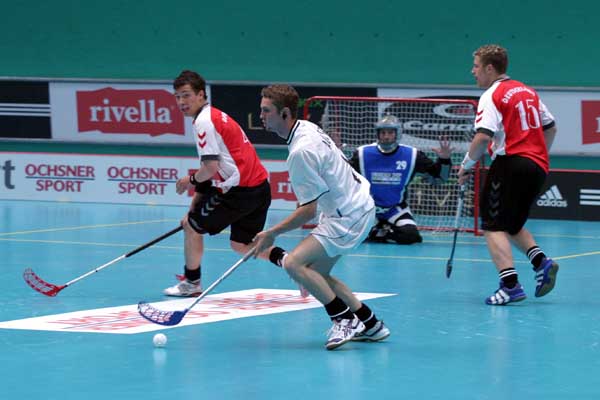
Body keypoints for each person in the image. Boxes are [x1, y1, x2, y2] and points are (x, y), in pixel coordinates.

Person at [253, 84, 390, 350]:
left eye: (266, 111)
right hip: (358, 205)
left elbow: (308, 211)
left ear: (284, 113)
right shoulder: (306, 127)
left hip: (347, 215)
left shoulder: (300, 152)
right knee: (315, 273)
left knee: (294, 264)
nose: (261, 116)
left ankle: (343, 320)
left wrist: (271, 233)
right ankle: (371, 324)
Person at [164, 70, 288, 297]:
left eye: (186, 95)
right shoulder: (215, 115)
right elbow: (212, 169)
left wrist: (188, 181)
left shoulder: (203, 122)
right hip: (260, 187)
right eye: (177, 97)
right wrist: (194, 206)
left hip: (241, 191)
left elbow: (209, 168)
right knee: (241, 244)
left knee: (191, 226)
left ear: (201, 95)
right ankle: (292, 262)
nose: (181, 102)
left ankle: (191, 283)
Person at [457, 45, 559, 305]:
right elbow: (551, 127)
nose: (473, 71)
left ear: (490, 68)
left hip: (511, 163)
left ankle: (510, 285)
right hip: (537, 166)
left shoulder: (492, 94)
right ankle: (541, 262)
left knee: (492, 225)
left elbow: (483, 138)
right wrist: (536, 155)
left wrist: (466, 165)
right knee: (511, 224)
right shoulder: (527, 91)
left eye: (476, 66)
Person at [349, 115, 453, 244]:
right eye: (383, 133)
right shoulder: (362, 153)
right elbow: (343, 176)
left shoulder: (412, 155)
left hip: (395, 209)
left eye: (390, 133)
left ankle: (377, 232)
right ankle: (376, 229)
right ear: (377, 134)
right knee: (349, 233)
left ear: (397, 134)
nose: (386, 137)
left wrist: (444, 160)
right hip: (367, 208)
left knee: (411, 236)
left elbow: (439, 178)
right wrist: (336, 156)